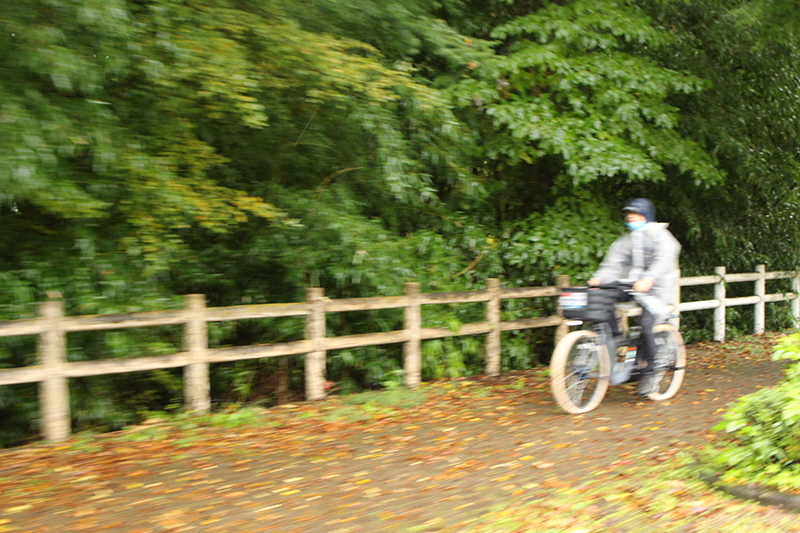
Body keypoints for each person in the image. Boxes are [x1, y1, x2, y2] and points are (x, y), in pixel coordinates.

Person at [588, 198, 681, 396]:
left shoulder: (661, 236)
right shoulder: (628, 239)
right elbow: (613, 263)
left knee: (646, 325)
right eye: (628, 214)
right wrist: (599, 279)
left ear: (647, 216)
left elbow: (664, 259)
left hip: (657, 289)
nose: (630, 217)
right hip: (633, 284)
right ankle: (616, 337)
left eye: (635, 214)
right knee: (603, 296)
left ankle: (650, 373)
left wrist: (649, 278)